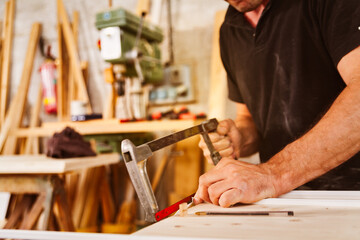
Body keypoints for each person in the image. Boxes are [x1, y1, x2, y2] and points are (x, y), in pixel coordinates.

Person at [194, 0, 360, 207]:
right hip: (284, 199)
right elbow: (248, 118)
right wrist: (239, 138)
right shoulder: (230, 29)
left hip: (351, 195)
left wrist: (273, 173)